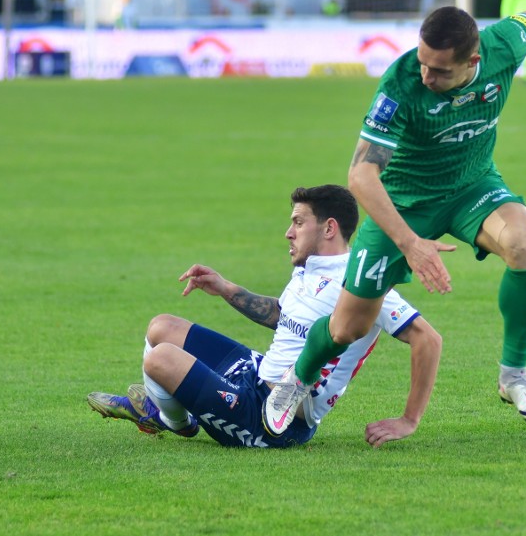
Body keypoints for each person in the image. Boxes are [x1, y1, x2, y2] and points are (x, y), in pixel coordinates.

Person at [263, 5, 526, 436]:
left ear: (473, 62)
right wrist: (410, 243)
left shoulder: (503, 45)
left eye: (438, 70)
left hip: (471, 187)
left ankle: (513, 376)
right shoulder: (400, 84)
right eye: (422, 62)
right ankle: (297, 379)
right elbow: (360, 175)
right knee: (347, 327)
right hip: (401, 204)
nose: (426, 76)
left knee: (525, 245)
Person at [87, 185, 442, 448]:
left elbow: (428, 338)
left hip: (275, 420)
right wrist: (226, 288)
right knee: (161, 327)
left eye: (298, 222)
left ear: (329, 228)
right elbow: (281, 316)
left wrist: (409, 420)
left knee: (161, 359)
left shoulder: (360, 286)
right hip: (257, 374)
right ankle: (175, 416)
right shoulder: (309, 269)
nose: (289, 232)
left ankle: (171, 419)